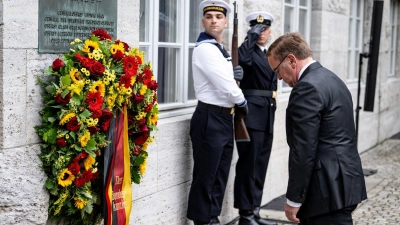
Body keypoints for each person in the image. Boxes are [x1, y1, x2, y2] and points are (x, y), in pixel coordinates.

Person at [266, 32, 367, 225]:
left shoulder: (307, 88)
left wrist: (294, 199)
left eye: (277, 70)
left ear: (291, 60)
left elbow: (304, 149)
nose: (278, 78)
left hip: (325, 191)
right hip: (344, 182)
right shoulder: (332, 78)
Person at [187, 1, 248, 225]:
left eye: (218, 17)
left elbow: (227, 81)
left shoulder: (219, 50)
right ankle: (203, 221)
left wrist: (235, 73)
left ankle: (212, 217)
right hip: (209, 118)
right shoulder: (205, 49)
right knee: (206, 175)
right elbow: (225, 86)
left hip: (224, 117)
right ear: (203, 21)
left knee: (219, 174)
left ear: (225, 22)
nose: (214, 20)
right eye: (209, 16)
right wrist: (241, 99)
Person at [234, 11, 277, 225]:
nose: (261, 33)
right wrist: (249, 37)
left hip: (268, 115)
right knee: (248, 166)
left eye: (264, 29)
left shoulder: (269, 53)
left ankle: (255, 211)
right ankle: (245, 215)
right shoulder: (248, 51)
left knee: (261, 165)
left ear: (270, 31)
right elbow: (241, 60)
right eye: (256, 29)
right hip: (251, 117)